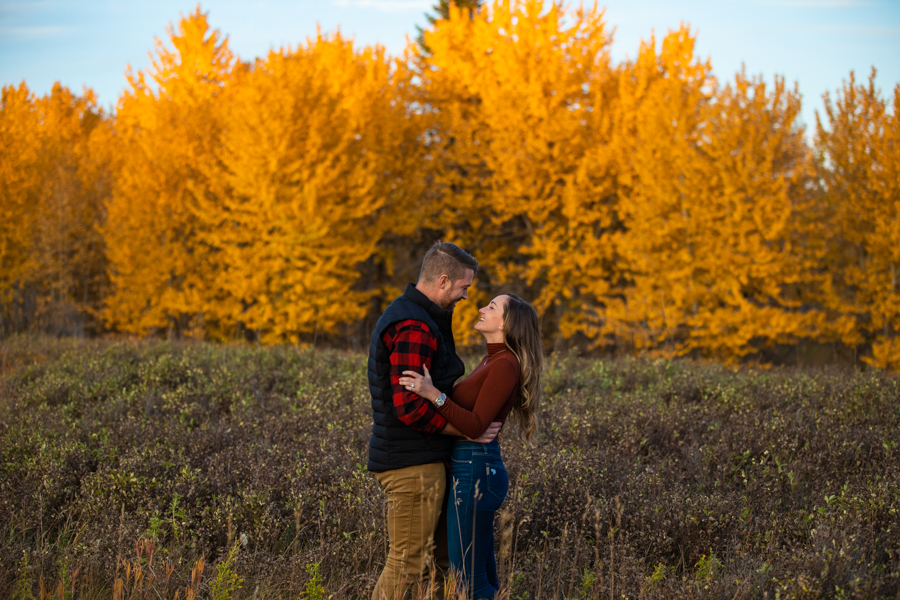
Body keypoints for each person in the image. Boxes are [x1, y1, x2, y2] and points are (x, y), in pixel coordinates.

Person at [367, 241, 502, 600]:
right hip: (411, 464)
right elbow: (409, 407)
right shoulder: (412, 324)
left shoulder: (424, 318)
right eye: (464, 288)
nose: (465, 297)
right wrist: (466, 429)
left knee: (440, 563)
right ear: (443, 281)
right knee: (408, 563)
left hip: (426, 458)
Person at [399, 293, 543, 600]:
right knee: (482, 582)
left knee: (468, 584)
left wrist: (432, 393)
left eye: (491, 307)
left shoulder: (505, 364)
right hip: (471, 466)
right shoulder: (493, 359)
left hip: (477, 469)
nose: (481, 308)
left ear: (507, 323)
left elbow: (476, 425)